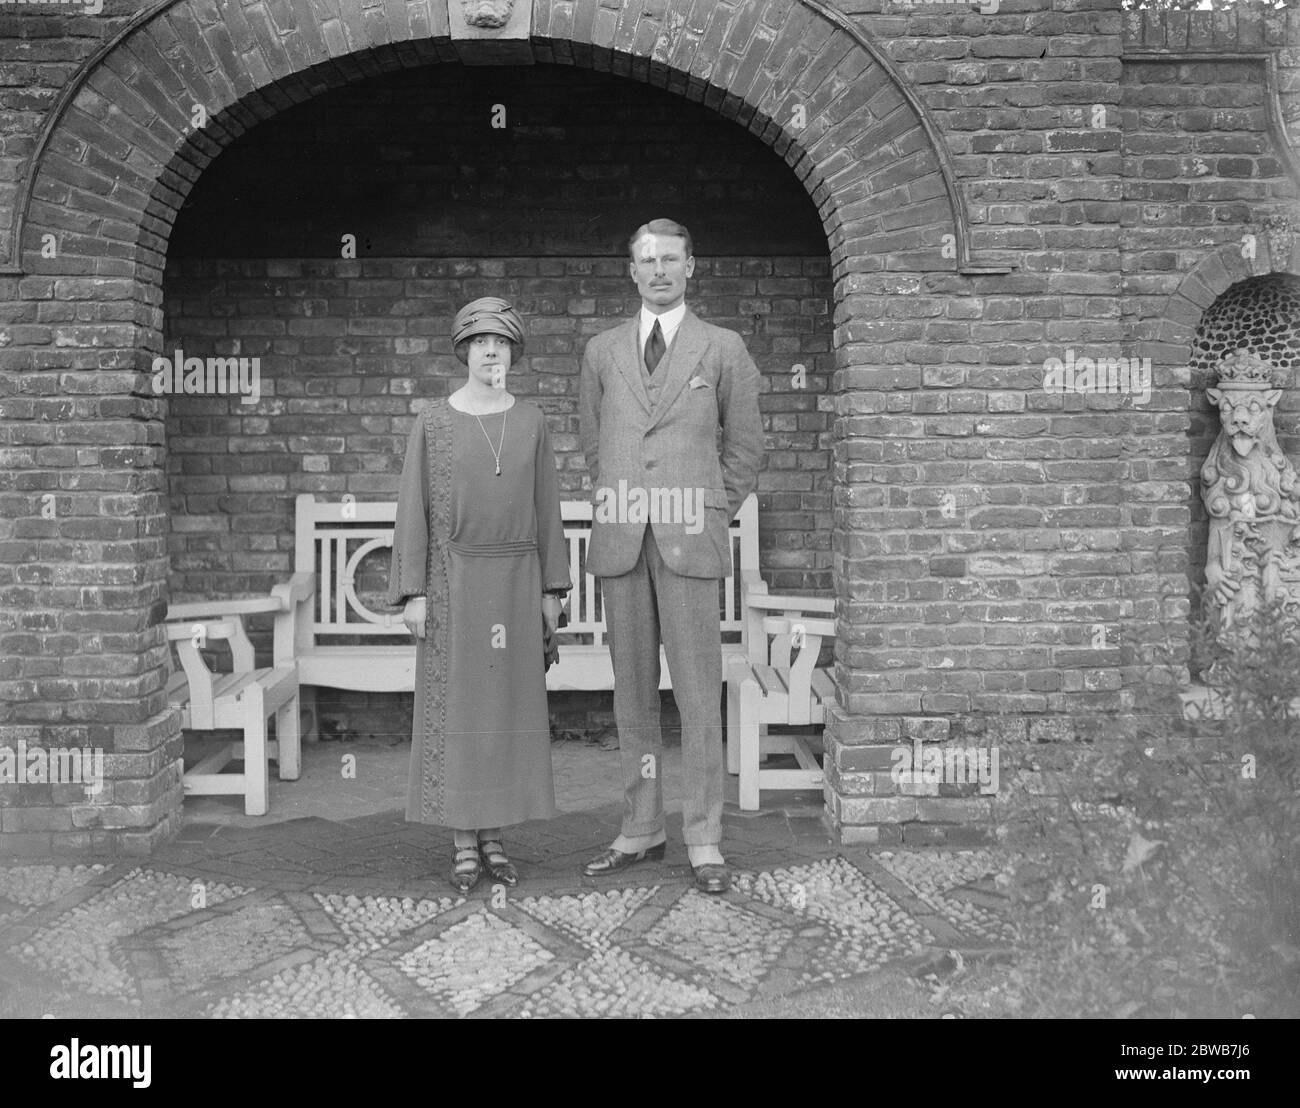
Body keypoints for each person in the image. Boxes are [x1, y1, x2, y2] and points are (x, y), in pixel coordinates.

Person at [578, 219, 763, 893]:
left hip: (690, 543)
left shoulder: (723, 348)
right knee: (633, 697)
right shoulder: (601, 351)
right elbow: (595, 447)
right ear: (632, 271)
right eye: (647, 260)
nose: (659, 270)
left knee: (695, 696)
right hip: (623, 542)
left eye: (671, 259)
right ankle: (641, 827)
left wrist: (708, 507)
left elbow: (745, 450)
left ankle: (704, 837)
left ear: (692, 266)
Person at [387, 297, 570, 892]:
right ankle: (463, 839)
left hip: (517, 584)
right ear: (464, 350)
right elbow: (412, 510)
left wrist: (552, 591)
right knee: (463, 713)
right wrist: (414, 591)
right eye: (480, 341)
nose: (491, 350)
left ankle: (495, 837)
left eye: (502, 341)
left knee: (506, 714)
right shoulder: (434, 423)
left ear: (514, 350)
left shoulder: (533, 421)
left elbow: (548, 510)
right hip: (454, 581)